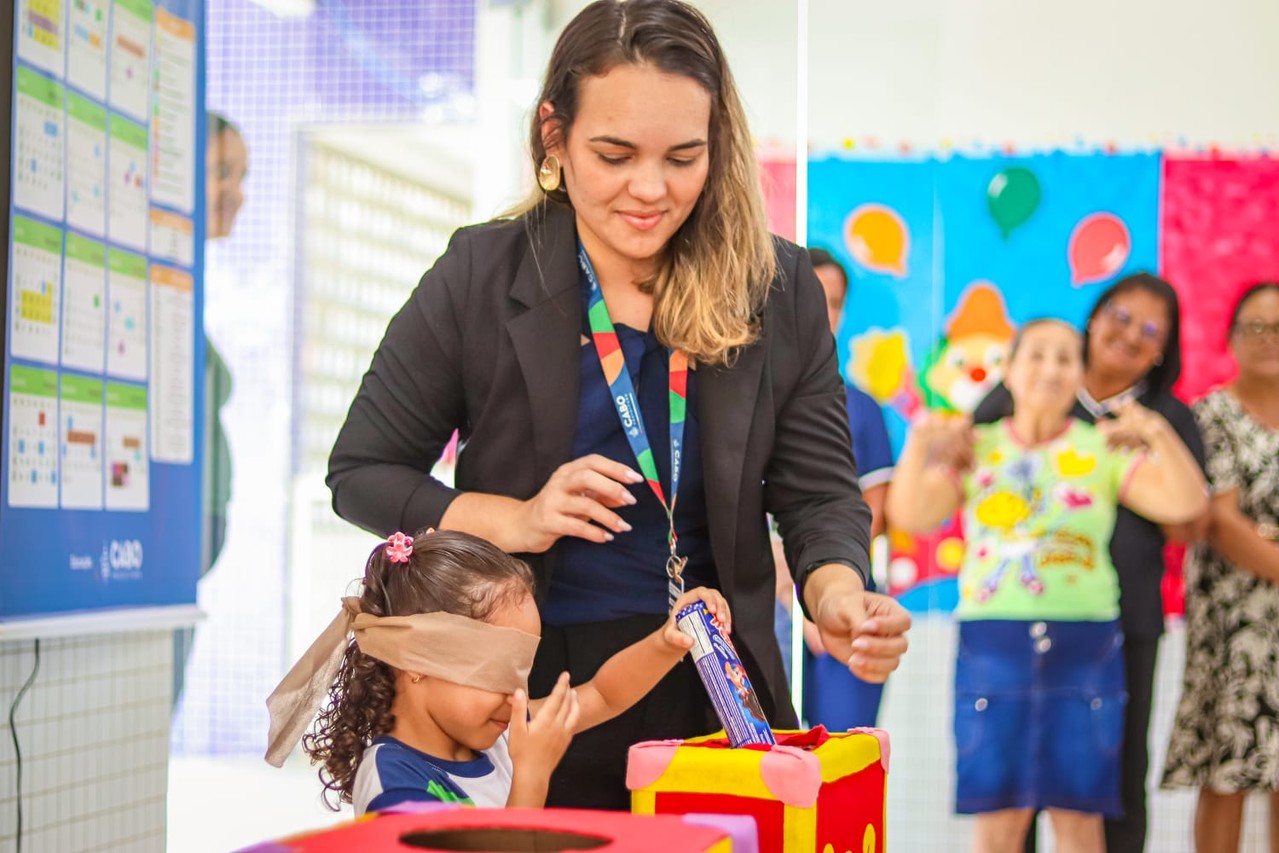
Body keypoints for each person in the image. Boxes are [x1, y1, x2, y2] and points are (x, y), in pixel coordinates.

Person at [326, 0, 910, 810]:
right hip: (531, 703)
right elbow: (361, 472)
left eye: (683, 157)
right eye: (614, 154)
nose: (649, 189)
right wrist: (514, 518)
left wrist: (837, 594)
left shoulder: (776, 289)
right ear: (554, 137)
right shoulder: (482, 275)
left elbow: (818, 494)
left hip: (719, 690)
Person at [890, 319, 1207, 853]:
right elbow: (911, 514)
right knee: (999, 821)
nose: (1051, 369)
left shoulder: (1101, 446)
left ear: (1079, 375)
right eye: (1036, 355)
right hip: (993, 644)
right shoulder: (978, 446)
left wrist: (1154, 431)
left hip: (1086, 646)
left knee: (1079, 818)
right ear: (1010, 371)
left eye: (1065, 358)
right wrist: (921, 442)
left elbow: (1186, 502)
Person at [972, 273, 1207, 852]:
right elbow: (972, 464)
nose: (1130, 335)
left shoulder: (1165, 418)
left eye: (1150, 330)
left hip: (1123, 619)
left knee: (1114, 772)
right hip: (1019, 618)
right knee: (1016, 783)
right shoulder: (1034, 389)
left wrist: (1142, 450)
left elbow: (1188, 522)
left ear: (1162, 351)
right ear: (1094, 319)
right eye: (1121, 317)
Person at [268, 529, 727, 813]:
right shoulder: (393, 784)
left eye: (522, 671)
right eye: (497, 670)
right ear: (416, 661)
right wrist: (531, 777)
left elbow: (603, 695)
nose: (518, 695)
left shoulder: (499, 736)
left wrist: (667, 642)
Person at [1162, 282, 1279, 853]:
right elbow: (1225, 524)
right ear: (1231, 338)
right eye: (1254, 327)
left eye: (1277, 328)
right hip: (1233, 627)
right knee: (1226, 769)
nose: (1267, 339)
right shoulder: (1209, 414)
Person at [772, 247, 895, 730]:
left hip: (840, 588)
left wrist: (826, 587)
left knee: (841, 746)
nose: (823, 313)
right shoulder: (741, 398)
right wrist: (784, 588)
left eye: (836, 302)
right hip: (766, 596)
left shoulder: (861, 408)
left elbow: (872, 512)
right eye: (812, 296)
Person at [174, 112, 250, 709]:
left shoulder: (189, 279)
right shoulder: (158, 280)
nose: (237, 193)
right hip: (161, 548)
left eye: (241, 177)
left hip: (185, 556)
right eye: (222, 172)